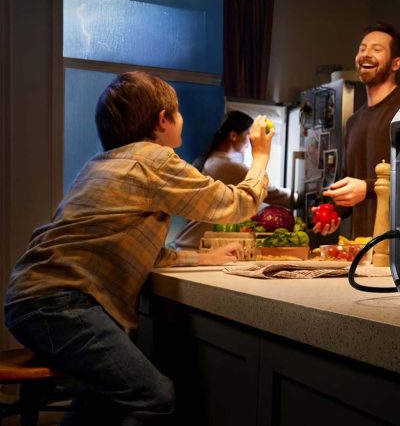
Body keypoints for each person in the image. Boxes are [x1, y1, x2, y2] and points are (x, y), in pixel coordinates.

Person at [4, 71, 274, 424]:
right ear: (163, 120)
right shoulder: (155, 159)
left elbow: (133, 248)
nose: (182, 118)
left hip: (31, 298)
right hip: (62, 304)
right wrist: (260, 156)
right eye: (177, 112)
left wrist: (204, 257)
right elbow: (237, 204)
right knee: (154, 396)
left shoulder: (100, 164)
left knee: (103, 396)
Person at [315, 23, 400, 237]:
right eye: (362, 48)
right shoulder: (353, 121)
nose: (366, 54)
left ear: (396, 63)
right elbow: (353, 183)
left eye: (377, 49)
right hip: (362, 244)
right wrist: (334, 210)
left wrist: (366, 189)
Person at [173, 110, 291, 250]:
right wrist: (300, 197)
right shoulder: (226, 166)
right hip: (196, 246)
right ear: (233, 136)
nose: (250, 140)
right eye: (248, 134)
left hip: (189, 243)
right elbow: (270, 192)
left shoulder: (212, 160)